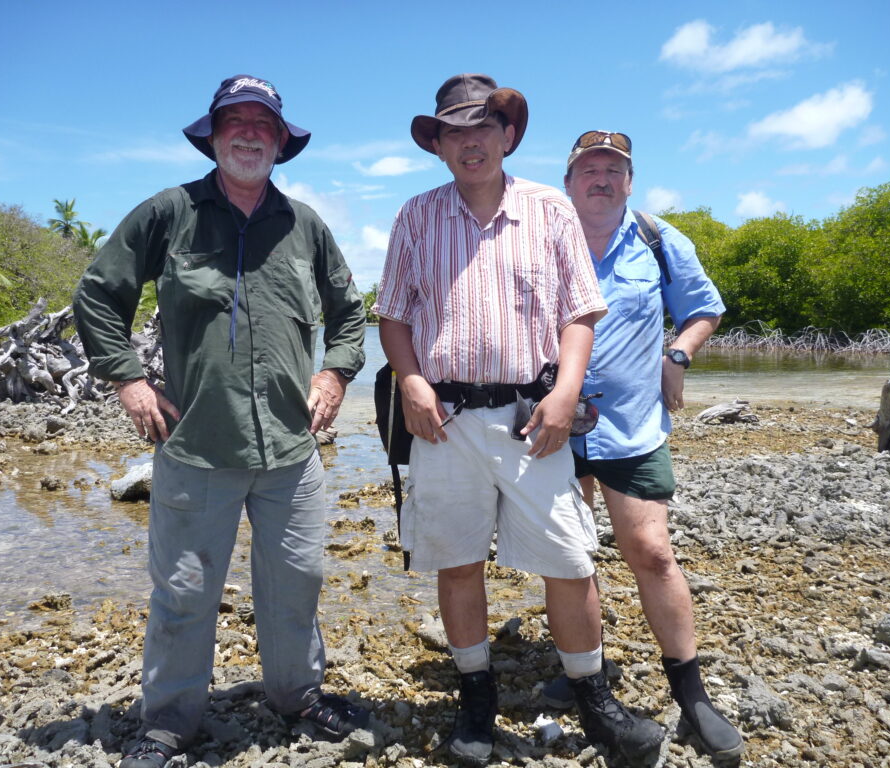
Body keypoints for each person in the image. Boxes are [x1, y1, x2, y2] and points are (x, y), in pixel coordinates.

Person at [72, 74, 368, 768]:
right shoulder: (168, 213)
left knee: (297, 582)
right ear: (212, 135)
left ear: (280, 141)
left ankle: (297, 696)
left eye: (262, 124)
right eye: (234, 121)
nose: (248, 134)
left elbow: (351, 315)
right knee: (183, 591)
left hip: (292, 452)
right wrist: (127, 379)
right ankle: (168, 723)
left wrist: (334, 371)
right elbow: (98, 292)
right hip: (195, 446)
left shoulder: (304, 225)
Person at [373, 74, 664, 766]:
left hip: (536, 418)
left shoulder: (550, 211)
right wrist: (411, 382)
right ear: (438, 145)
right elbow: (393, 316)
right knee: (456, 561)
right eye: (455, 132)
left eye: (484, 129)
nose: (470, 143)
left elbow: (580, 314)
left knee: (568, 560)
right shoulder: (414, 216)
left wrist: (567, 393)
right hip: (442, 418)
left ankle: (593, 699)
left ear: (507, 137)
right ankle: (476, 699)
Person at [550, 129, 743, 762]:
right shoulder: (542, 237)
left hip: (632, 427)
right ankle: (585, 676)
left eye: (613, 170)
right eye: (589, 170)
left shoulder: (662, 240)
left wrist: (678, 355)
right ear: (569, 180)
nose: (600, 179)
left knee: (653, 553)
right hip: (552, 424)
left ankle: (692, 695)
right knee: (571, 560)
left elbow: (704, 309)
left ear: (629, 181)